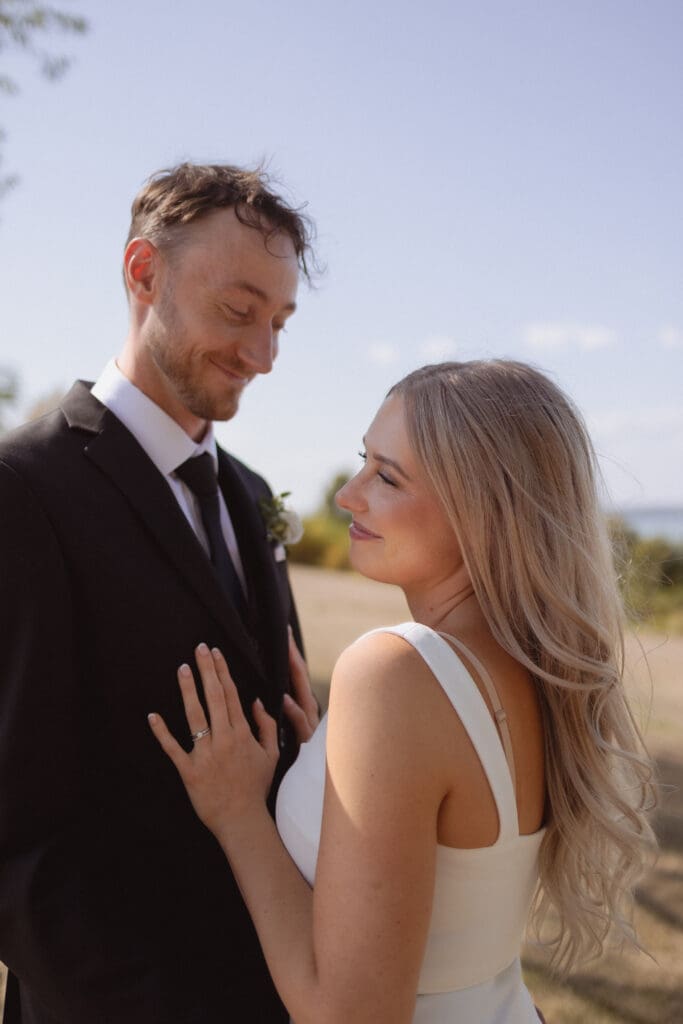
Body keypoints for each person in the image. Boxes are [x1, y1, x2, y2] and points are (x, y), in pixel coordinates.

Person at [150, 360, 657, 1024]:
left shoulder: (396, 671)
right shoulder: (539, 669)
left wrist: (237, 812)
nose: (347, 496)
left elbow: (347, 1014)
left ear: (483, 510)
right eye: (364, 461)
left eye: (386, 477)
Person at [0, 162, 314, 1023]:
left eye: (279, 322)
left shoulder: (250, 494)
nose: (263, 356)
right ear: (144, 273)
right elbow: (14, 839)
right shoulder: (21, 491)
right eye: (238, 311)